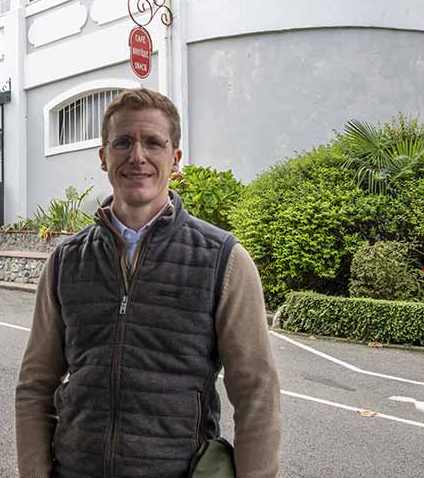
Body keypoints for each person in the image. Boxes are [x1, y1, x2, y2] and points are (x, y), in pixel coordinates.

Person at [15, 88, 280, 478]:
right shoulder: (66, 262)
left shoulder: (223, 260)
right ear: (104, 156)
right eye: (123, 142)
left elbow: (256, 391)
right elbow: (35, 386)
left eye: (153, 143)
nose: (137, 156)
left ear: (174, 160)